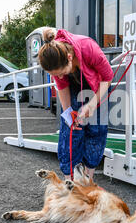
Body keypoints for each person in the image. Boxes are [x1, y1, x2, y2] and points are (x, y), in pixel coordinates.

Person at [38, 28, 113, 181]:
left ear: (70, 57)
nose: (58, 77)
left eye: (60, 73)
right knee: (70, 133)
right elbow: (62, 87)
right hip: (73, 89)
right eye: (54, 75)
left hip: (99, 88)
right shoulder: (56, 62)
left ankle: (87, 182)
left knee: (96, 132)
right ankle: (69, 183)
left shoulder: (88, 47)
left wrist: (92, 104)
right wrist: (68, 113)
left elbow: (107, 77)